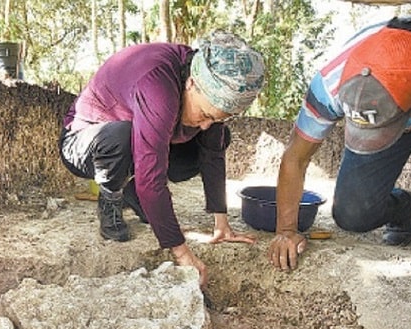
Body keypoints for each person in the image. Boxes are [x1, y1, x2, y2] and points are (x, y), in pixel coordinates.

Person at [58, 32, 265, 287]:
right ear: (191, 83)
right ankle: (111, 196)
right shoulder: (158, 86)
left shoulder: (205, 81)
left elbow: (213, 152)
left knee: (216, 137)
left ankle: (131, 193)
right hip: (85, 142)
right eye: (204, 114)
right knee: (124, 136)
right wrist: (181, 252)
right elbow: (151, 180)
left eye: (215, 117)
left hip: (134, 138)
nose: (204, 124)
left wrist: (221, 222)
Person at [269, 9, 411, 271]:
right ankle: (402, 207)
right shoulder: (332, 84)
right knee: (353, 214)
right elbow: (296, 157)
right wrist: (286, 230)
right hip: (409, 116)